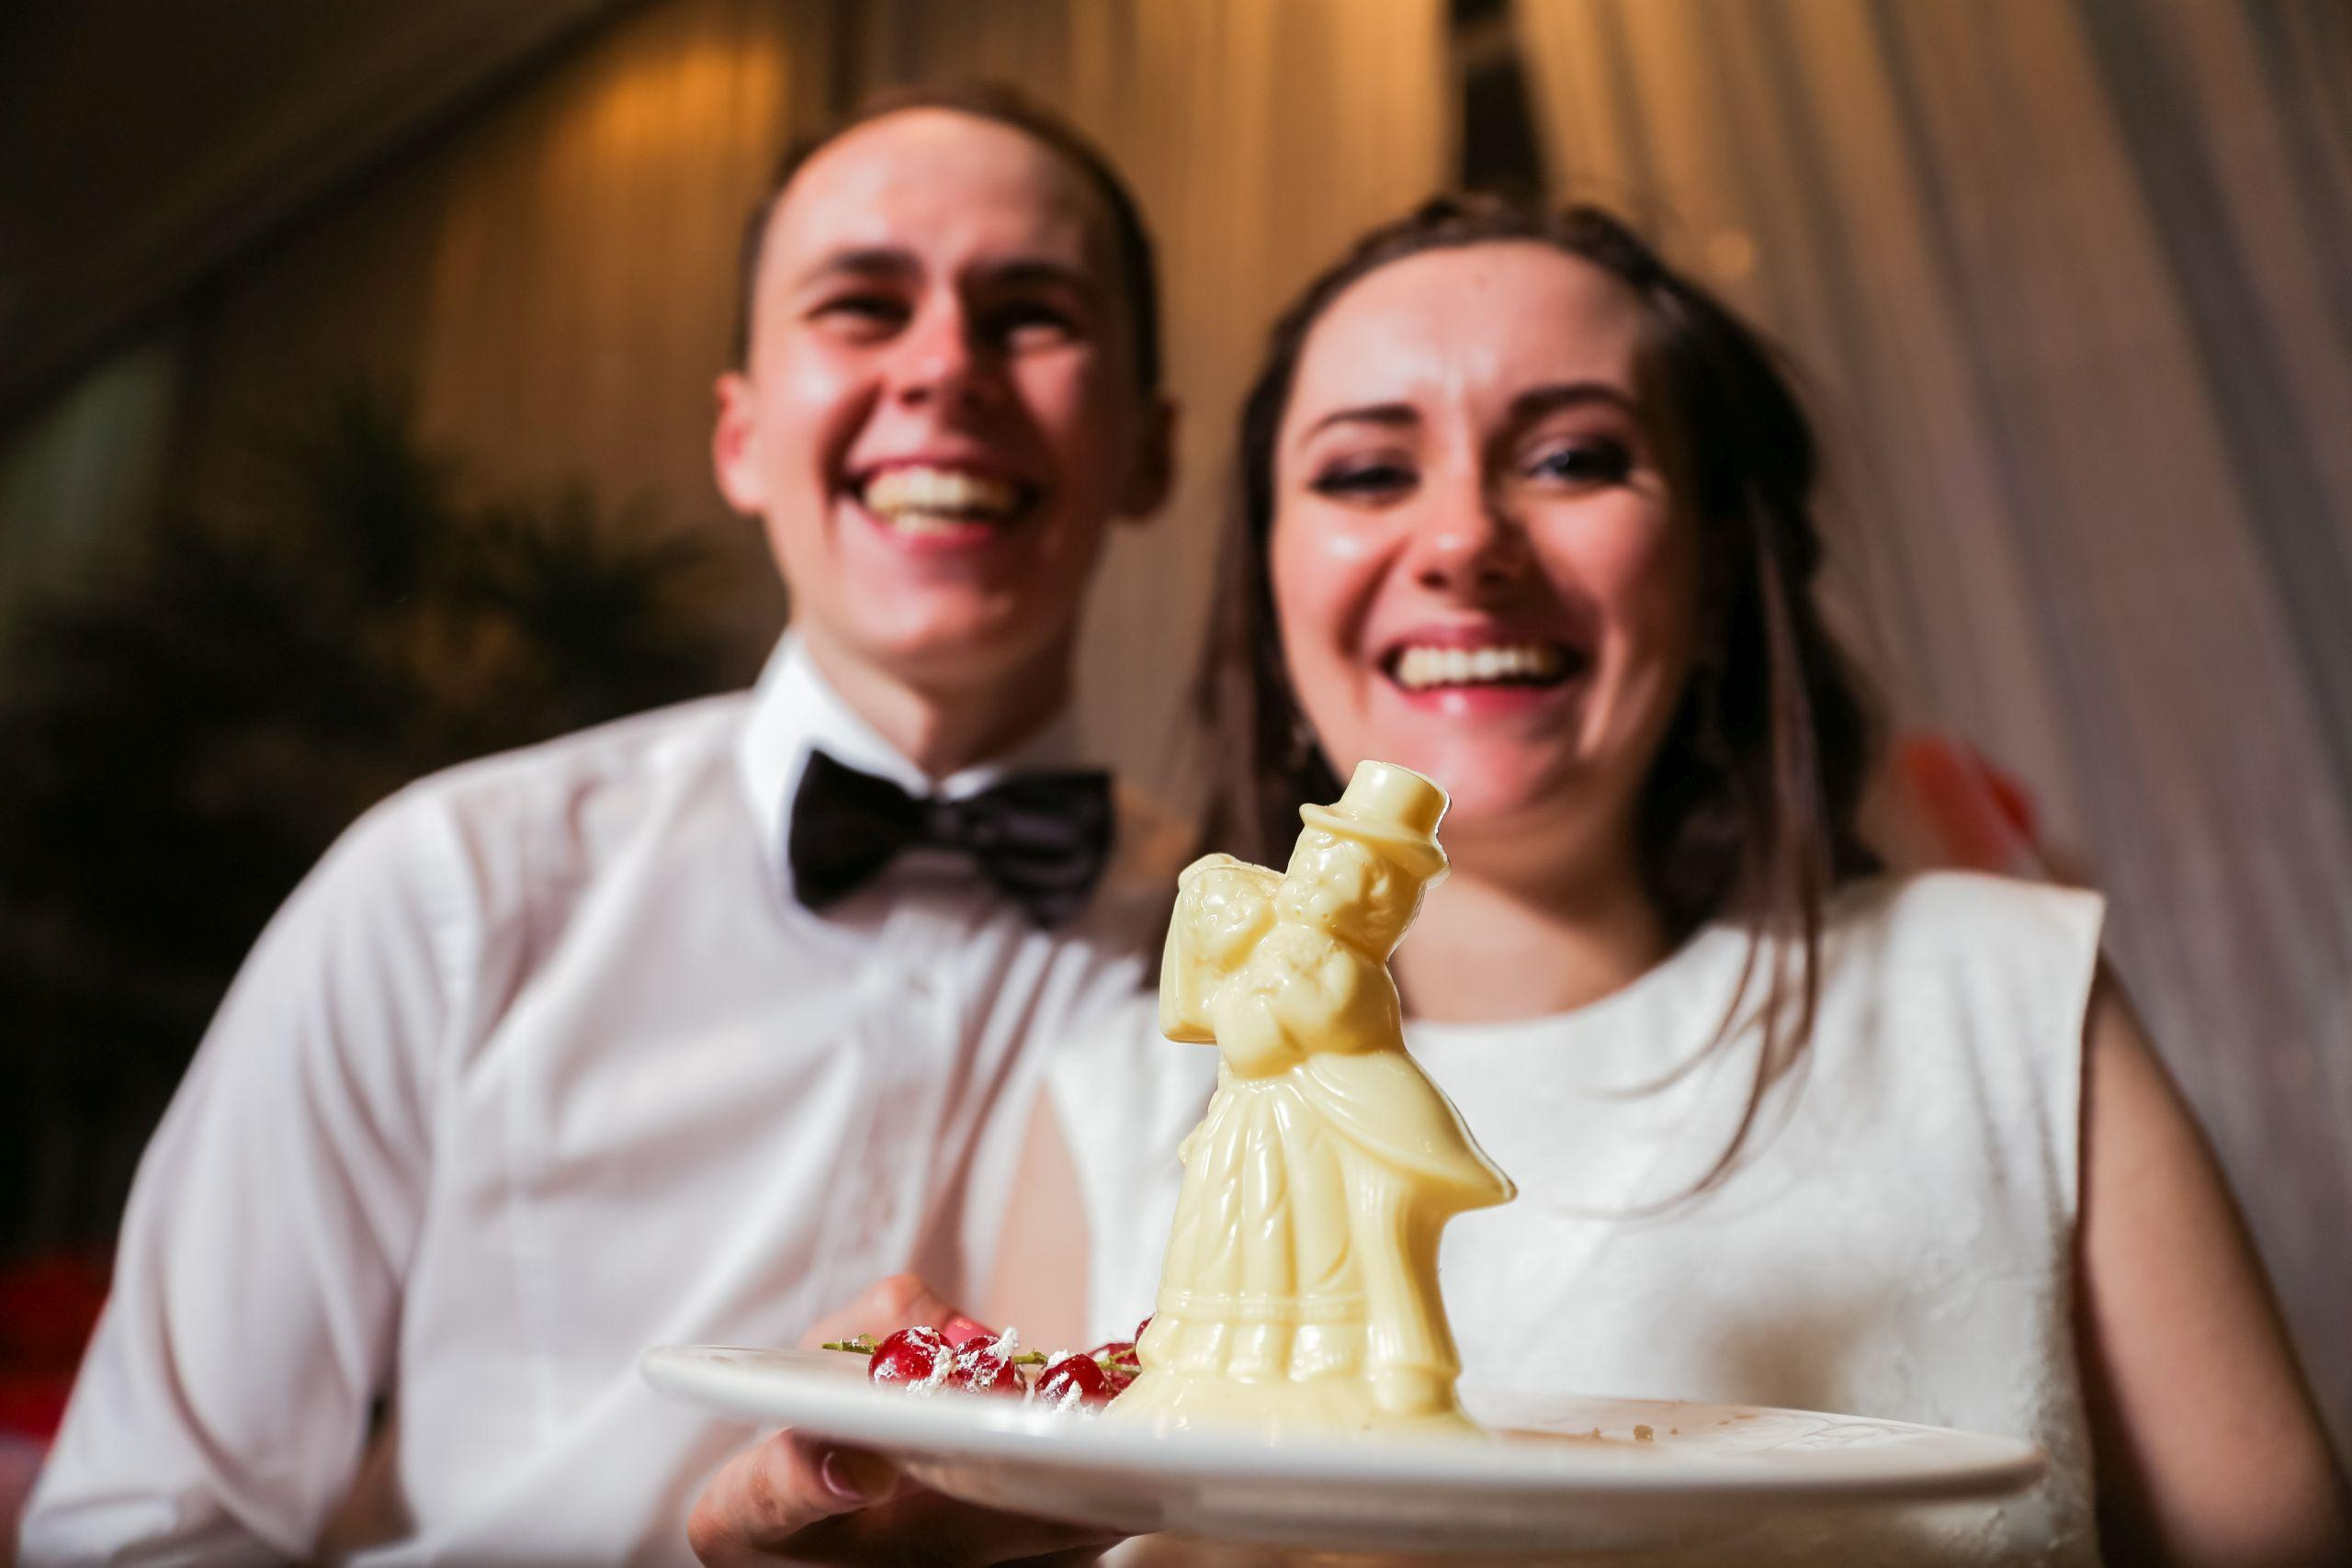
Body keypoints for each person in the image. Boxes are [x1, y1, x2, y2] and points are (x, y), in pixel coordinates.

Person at [692, 197, 2349, 1565]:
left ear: (1714, 568)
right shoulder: (1120, 1092)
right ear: (1270, 592)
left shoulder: (2008, 997)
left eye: (1570, 459)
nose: (1465, 540)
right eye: (1362, 471)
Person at [21, 83, 1182, 1565]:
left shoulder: (1228, 965)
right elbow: (141, 1527)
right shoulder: (451, 888)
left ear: (1148, 446)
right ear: (742, 437)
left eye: (1031, 311)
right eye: (861, 305)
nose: (946, 366)